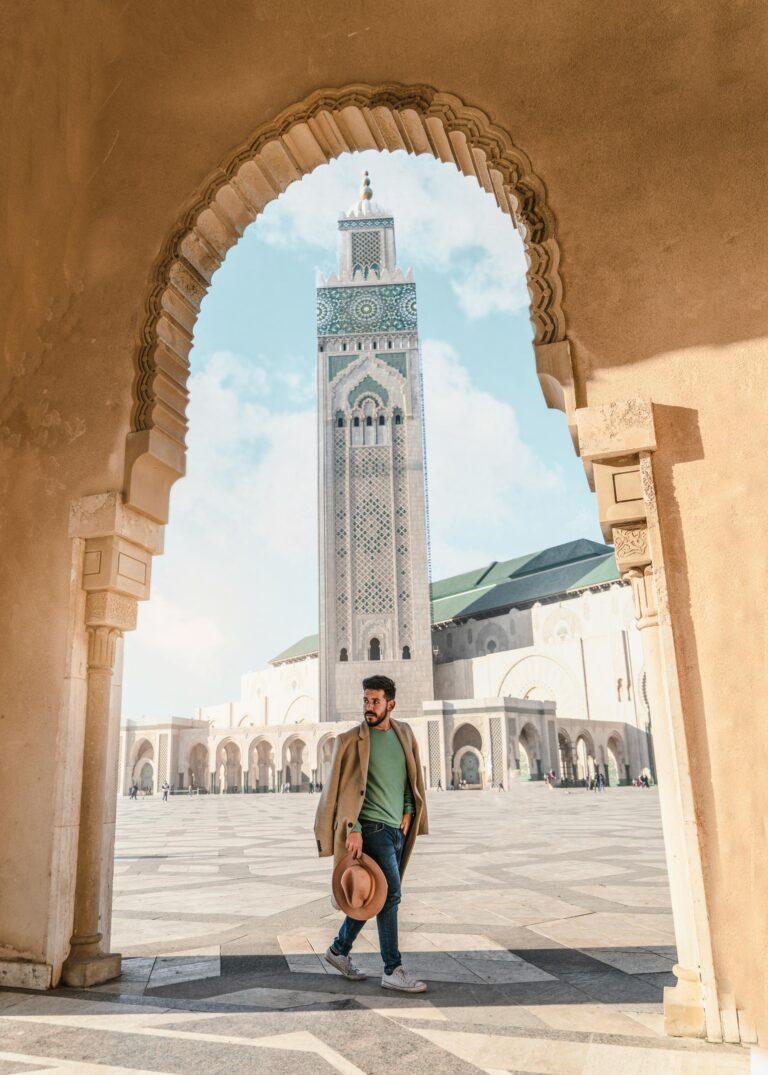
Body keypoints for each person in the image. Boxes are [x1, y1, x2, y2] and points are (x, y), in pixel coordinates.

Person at [314, 674, 429, 993]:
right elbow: (339, 791)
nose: (369, 706)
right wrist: (356, 829)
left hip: (397, 829)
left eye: (376, 701)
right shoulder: (351, 740)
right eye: (366, 700)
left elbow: (411, 777)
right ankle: (393, 968)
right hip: (371, 829)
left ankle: (339, 950)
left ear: (391, 704)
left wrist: (408, 807)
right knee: (391, 895)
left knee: (376, 895)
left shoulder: (404, 734)